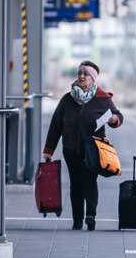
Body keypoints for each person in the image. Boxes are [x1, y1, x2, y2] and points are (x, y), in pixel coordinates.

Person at [43, 61, 123, 231]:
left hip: (94, 150)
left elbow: (118, 115)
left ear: (93, 79)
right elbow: (56, 125)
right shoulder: (67, 99)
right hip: (71, 149)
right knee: (75, 183)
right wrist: (48, 150)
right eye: (80, 73)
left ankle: (91, 215)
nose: (81, 77)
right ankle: (77, 219)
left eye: (85, 74)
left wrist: (114, 120)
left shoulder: (103, 98)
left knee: (90, 180)